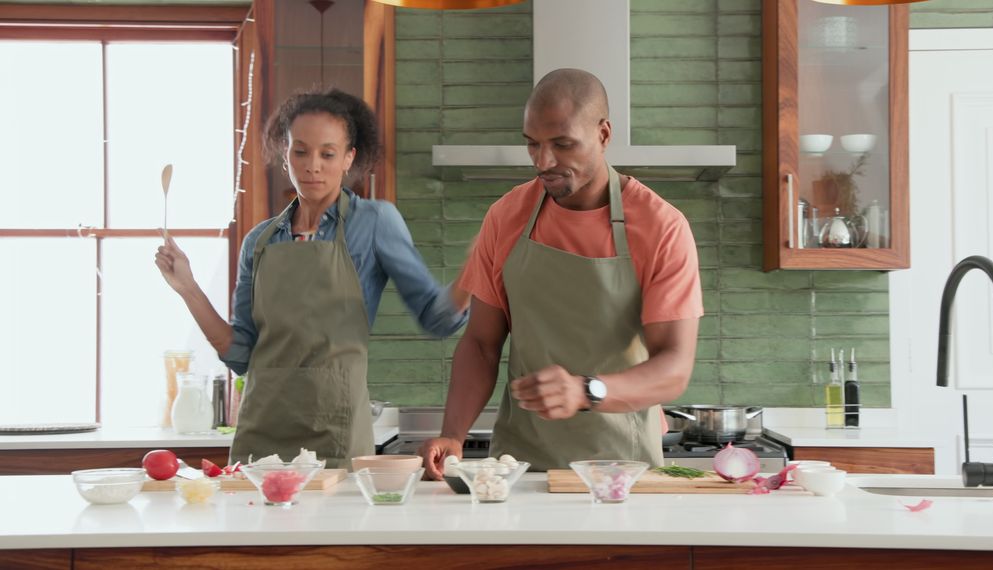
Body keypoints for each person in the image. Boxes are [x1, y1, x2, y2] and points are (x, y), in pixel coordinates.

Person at [155, 88, 468, 469]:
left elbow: (437, 317)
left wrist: (476, 269)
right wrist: (188, 288)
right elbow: (241, 356)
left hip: (334, 430)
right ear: (284, 155)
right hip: (261, 434)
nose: (312, 165)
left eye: (328, 153)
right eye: (300, 151)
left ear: (349, 159)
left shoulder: (373, 223)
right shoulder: (260, 241)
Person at [420, 68, 702, 476]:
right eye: (532, 145)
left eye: (563, 144)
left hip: (623, 470)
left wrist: (585, 390)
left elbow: (674, 366)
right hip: (518, 467)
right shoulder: (506, 217)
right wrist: (453, 434)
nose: (544, 161)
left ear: (604, 134)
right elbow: (481, 344)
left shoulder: (661, 227)